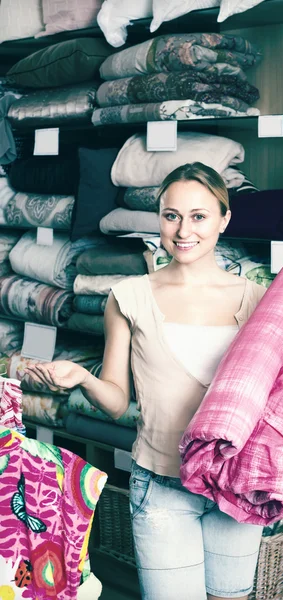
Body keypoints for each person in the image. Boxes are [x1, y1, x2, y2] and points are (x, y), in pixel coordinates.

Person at [25, 162, 267, 600]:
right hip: (160, 485)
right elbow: (117, 403)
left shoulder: (256, 300)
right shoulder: (129, 296)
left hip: (235, 484)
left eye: (199, 216)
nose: (182, 230)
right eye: (171, 215)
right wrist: (82, 376)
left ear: (224, 219)